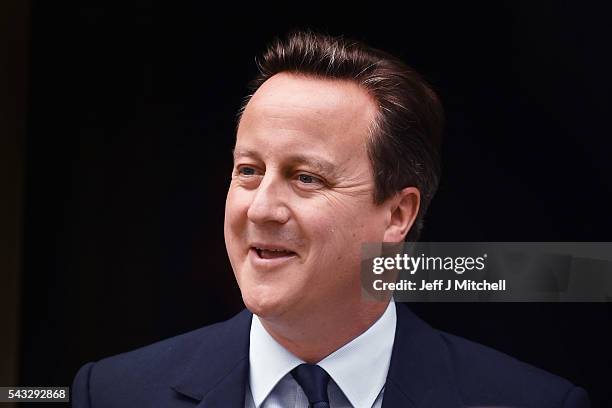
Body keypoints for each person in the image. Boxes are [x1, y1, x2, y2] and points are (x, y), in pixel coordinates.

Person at [72, 30, 589, 408]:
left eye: (306, 178)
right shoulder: (113, 393)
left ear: (398, 214)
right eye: (248, 170)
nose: (262, 208)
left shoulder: (531, 401)